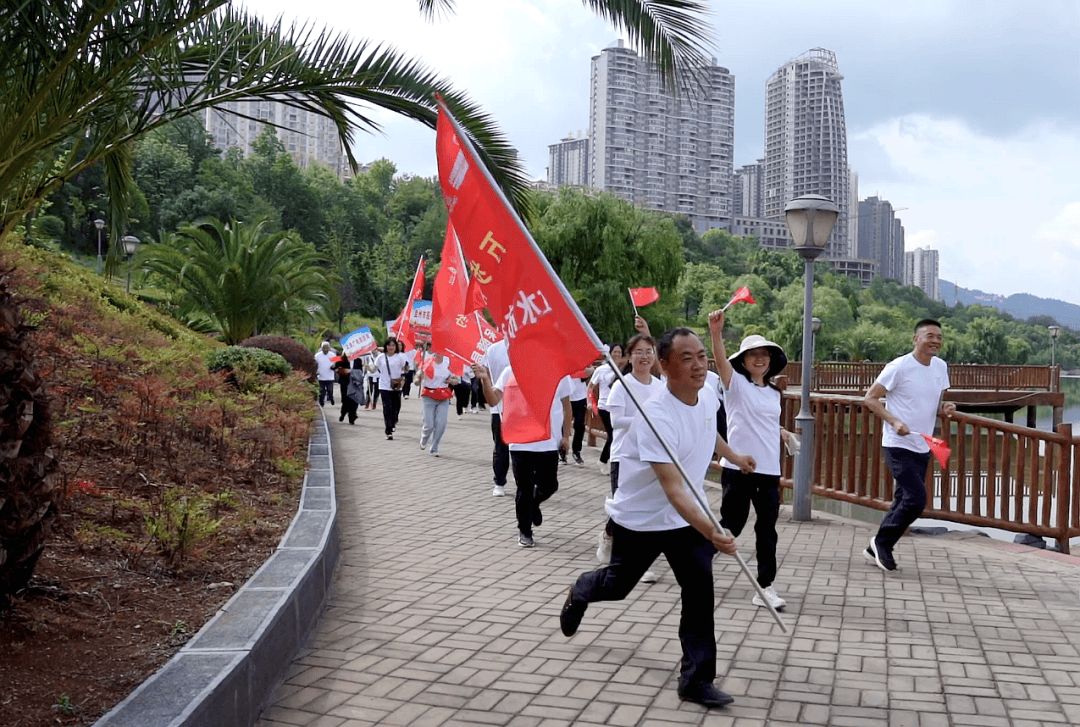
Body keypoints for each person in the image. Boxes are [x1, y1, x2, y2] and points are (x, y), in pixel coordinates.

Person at [559, 327, 755, 709]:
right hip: (642, 519)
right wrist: (714, 531)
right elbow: (673, 489)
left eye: (701, 355)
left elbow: (705, 431)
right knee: (617, 585)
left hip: (686, 520)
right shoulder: (654, 415)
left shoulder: (706, 392)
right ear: (665, 366)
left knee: (699, 592)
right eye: (687, 358)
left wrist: (732, 456)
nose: (699, 365)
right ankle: (582, 590)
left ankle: (696, 680)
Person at [708, 310, 795, 611]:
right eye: (753, 355)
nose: (759, 359)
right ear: (743, 361)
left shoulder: (774, 393)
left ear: (771, 360)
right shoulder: (735, 386)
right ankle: (697, 561)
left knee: (767, 528)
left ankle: (765, 586)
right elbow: (720, 364)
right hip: (738, 468)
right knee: (732, 524)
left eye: (764, 355)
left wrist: (782, 432)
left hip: (769, 470)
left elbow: (765, 422)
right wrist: (716, 333)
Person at [862, 318, 955, 572]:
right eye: (929, 336)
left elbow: (938, 400)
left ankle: (876, 548)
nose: (935, 341)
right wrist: (893, 421)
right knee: (916, 498)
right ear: (916, 339)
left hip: (923, 444)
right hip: (898, 442)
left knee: (904, 497)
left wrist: (945, 408)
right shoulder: (899, 367)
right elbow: (870, 399)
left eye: (938, 336)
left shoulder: (940, 367)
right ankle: (882, 543)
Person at [474, 363, 572, 548]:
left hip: (548, 442)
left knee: (549, 485)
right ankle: (525, 530)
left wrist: (566, 436)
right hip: (520, 441)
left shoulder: (557, 371)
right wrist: (485, 379)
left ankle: (535, 502)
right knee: (524, 488)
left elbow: (567, 406)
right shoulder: (511, 370)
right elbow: (494, 400)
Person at [596, 334, 663, 575]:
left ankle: (639, 562)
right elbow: (615, 422)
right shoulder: (621, 385)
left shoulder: (660, 387)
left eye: (649, 351)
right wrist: (645, 419)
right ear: (629, 356)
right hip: (625, 456)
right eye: (639, 352)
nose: (644, 357)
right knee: (624, 506)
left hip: (651, 456)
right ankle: (609, 535)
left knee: (644, 508)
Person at [588, 343, 626, 476]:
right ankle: (603, 460)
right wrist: (590, 402)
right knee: (612, 436)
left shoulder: (624, 369)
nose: (617, 355)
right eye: (614, 352)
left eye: (619, 353)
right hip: (604, 406)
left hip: (618, 407)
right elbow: (590, 387)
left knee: (616, 435)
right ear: (609, 353)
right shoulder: (602, 369)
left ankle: (609, 460)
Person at [482, 338, 512, 497]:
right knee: (501, 447)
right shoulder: (493, 350)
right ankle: (499, 482)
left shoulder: (528, 345)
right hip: (499, 407)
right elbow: (485, 374)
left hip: (523, 409)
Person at [418, 346, 458, 456]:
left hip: (443, 397)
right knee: (429, 425)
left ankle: (434, 446)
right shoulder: (427, 361)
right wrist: (418, 379)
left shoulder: (448, 363)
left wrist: (452, 380)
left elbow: (455, 379)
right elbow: (417, 379)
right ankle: (424, 437)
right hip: (429, 396)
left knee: (441, 424)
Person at [367, 337, 409, 439]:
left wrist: (406, 370)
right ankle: (388, 430)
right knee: (387, 408)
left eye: (393, 345)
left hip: (396, 386)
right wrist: (367, 367)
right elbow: (373, 369)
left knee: (396, 407)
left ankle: (393, 421)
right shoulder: (381, 357)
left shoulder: (400, 357)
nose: (391, 347)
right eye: (389, 345)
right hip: (384, 385)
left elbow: (405, 370)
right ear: (386, 346)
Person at [344, 358, 366, 424]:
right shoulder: (345, 360)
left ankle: (352, 416)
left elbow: (360, 373)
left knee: (354, 400)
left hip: (355, 384)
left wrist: (352, 372)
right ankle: (351, 414)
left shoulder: (358, 360)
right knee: (347, 400)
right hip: (346, 383)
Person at [314, 341, 336, 407]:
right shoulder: (317, 355)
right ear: (322, 348)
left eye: (327, 348)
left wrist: (334, 367)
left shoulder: (333, 355)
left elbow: (337, 363)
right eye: (325, 348)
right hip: (321, 376)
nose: (326, 350)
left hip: (330, 376)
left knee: (329, 390)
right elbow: (314, 364)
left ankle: (331, 399)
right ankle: (321, 403)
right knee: (322, 392)